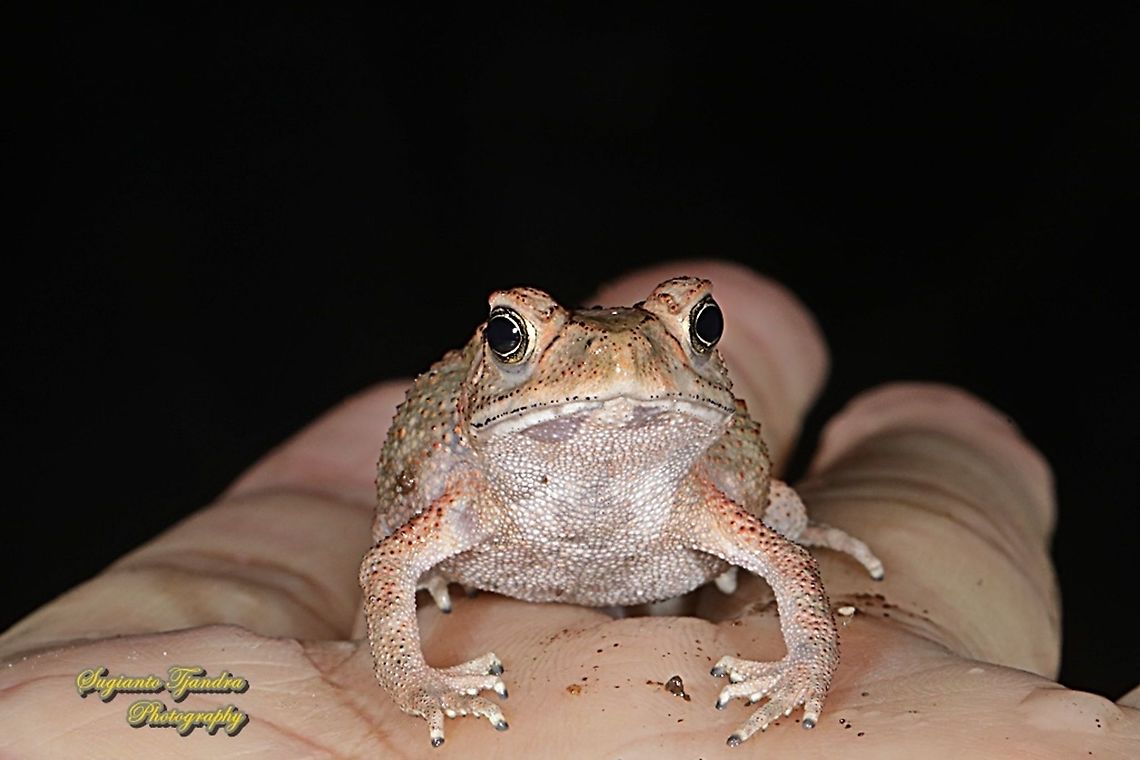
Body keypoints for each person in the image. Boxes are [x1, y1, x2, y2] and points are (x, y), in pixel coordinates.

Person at [2, 261, 1136, 758]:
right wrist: (412, 679)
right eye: (513, 336)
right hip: (512, 505)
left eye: (695, 332)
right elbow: (385, 570)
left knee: (783, 524)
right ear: (494, 355)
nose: (625, 364)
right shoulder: (465, 500)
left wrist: (802, 674)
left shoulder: (699, 501)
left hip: (668, 506)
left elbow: (795, 583)